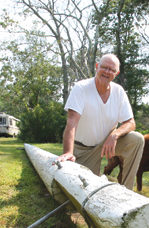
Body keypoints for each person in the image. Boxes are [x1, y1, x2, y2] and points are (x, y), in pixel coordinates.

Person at [55, 54, 144, 190]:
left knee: (137, 139)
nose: (107, 72)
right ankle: (96, 175)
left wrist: (114, 135)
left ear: (116, 73)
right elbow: (71, 123)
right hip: (84, 149)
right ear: (97, 67)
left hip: (107, 144)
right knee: (78, 189)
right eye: (104, 67)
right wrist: (68, 152)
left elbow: (131, 122)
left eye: (112, 70)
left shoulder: (119, 92)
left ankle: (126, 191)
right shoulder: (81, 88)